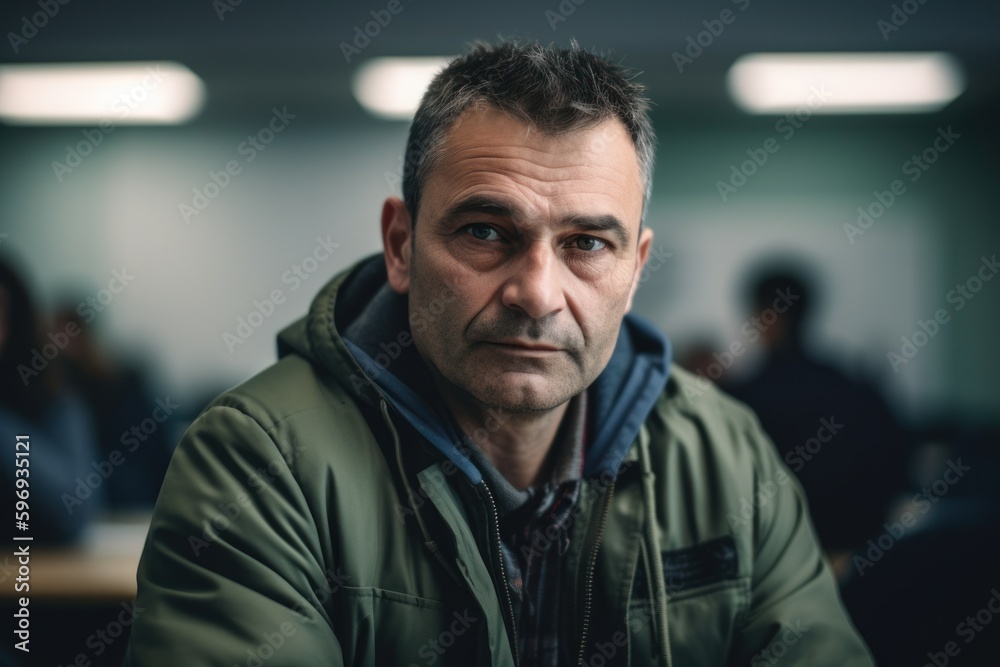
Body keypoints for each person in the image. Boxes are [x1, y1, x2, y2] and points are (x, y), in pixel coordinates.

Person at [123, 40, 873, 666]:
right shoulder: (256, 466)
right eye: (485, 231)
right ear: (400, 245)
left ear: (635, 269)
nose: (538, 293)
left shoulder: (725, 454)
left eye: (586, 244)